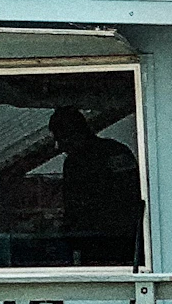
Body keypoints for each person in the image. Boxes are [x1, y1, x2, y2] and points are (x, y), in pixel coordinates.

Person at [49, 106, 144, 262]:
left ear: (73, 133)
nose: (59, 146)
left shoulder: (77, 162)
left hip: (110, 239)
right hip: (122, 238)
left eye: (60, 138)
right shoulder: (116, 150)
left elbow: (74, 207)